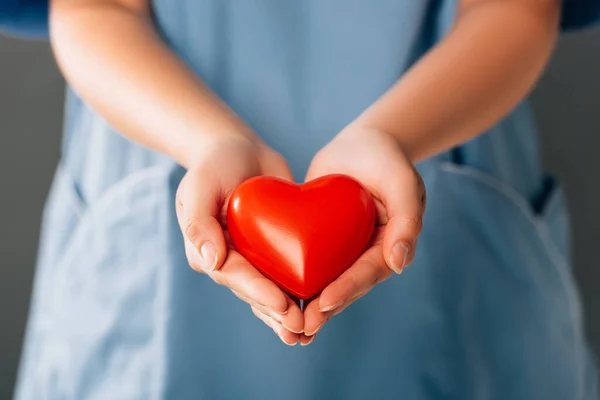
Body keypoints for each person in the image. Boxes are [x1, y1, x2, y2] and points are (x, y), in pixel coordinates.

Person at [10, 0, 600, 399]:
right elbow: (94, 5)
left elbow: (516, 6)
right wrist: (209, 141)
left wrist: (392, 136)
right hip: (159, 149)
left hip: (446, 176)